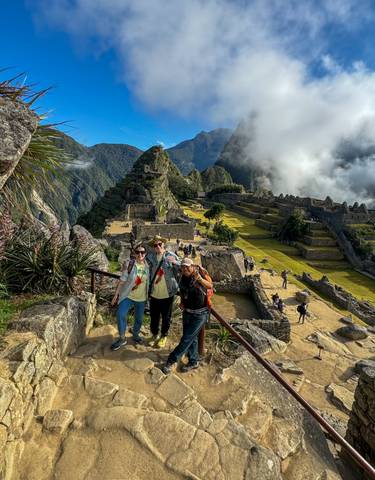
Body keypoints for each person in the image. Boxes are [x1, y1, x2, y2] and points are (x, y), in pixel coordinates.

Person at [162, 258, 213, 374]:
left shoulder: (199, 275)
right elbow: (183, 291)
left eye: (187, 266)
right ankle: (194, 361)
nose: (185, 268)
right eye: (183, 266)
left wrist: (199, 279)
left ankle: (171, 360)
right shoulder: (182, 277)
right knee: (191, 339)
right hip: (187, 312)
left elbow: (210, 286)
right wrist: (182, 302)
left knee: (186, 339)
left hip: (200, 314)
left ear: (193, 267)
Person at [110, 243, 149, 350]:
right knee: (120, 314)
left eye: (142, 252)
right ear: (135, 254)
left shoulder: (148, 266)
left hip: (141, 298)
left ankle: (135, 334)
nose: (140, 254)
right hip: (127, 295)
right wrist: (116, 295)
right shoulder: (130, 264)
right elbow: (122, 281)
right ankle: (122, 338)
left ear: (145, 254)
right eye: (137, 252)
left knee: (139, 319)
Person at [147, 235, 180, 348]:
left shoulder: (171, 255)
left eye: (159, 244)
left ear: (163, 244)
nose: (158, 247)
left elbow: (181, 268)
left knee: (166, 317)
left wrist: (175, 262)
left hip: (168, 293)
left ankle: (164, 336)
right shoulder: (150, 257)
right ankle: (154, 335)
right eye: (155, 245)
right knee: (154, 316)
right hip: (154, 292)